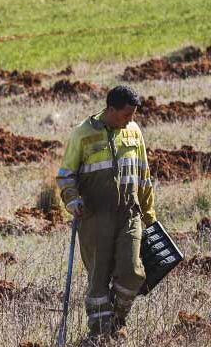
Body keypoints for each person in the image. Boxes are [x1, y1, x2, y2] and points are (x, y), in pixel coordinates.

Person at [56, 85, 156, 341]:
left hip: (129, 216)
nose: (131, 120)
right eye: (126, 115)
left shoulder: (133, 132)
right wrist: (72, 200)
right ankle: (100, 335)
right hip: (94, 218)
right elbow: (66, 176)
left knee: (133, 272)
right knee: (98, 281)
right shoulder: (83, 133)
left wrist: (149, 216)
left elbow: (143, 177)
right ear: (110, 110)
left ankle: (117, 320)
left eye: (133, 115)